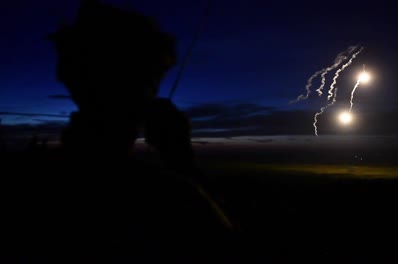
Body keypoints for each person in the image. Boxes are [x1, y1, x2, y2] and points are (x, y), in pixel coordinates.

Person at [1, 0, 235, 262]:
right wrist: (181, 159)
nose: (155, 90)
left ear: (67, 76)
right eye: (152, 78)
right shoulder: (165, 200)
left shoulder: (23, 181)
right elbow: (222, 247)